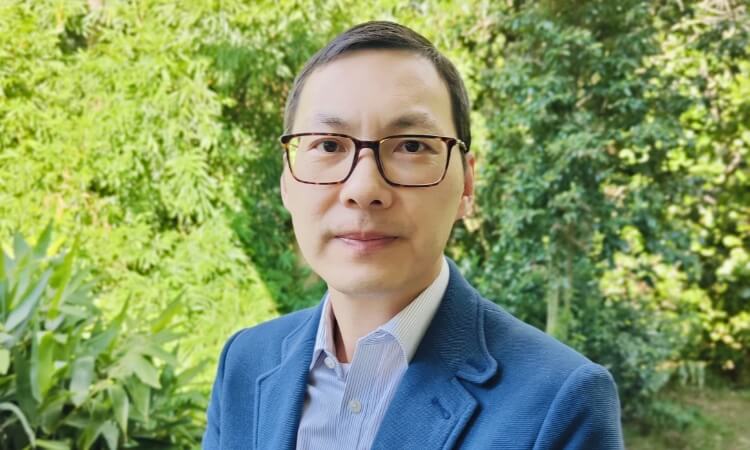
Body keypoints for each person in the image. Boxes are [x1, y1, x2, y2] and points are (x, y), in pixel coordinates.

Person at [203, 21, 625, 450]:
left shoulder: (560, 401)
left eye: (410, 146)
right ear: (286, 183)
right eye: (329, 146)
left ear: (466, 185)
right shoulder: (245, 362)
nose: (364, 190)